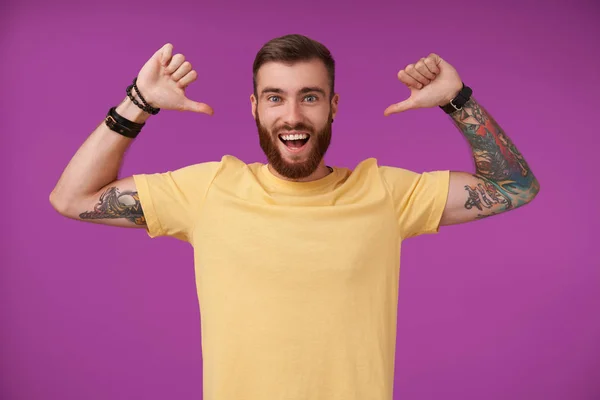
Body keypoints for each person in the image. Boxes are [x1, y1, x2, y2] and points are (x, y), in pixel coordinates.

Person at [50, 34, 540, 400]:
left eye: (310, 96)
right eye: (275, 97)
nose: (292, 115)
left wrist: (459, 102)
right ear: (255, 108)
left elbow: (514, 187)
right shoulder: (208, 190)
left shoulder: (386, 192)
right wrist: (138, 103)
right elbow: (73, 198)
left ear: (332, 107)